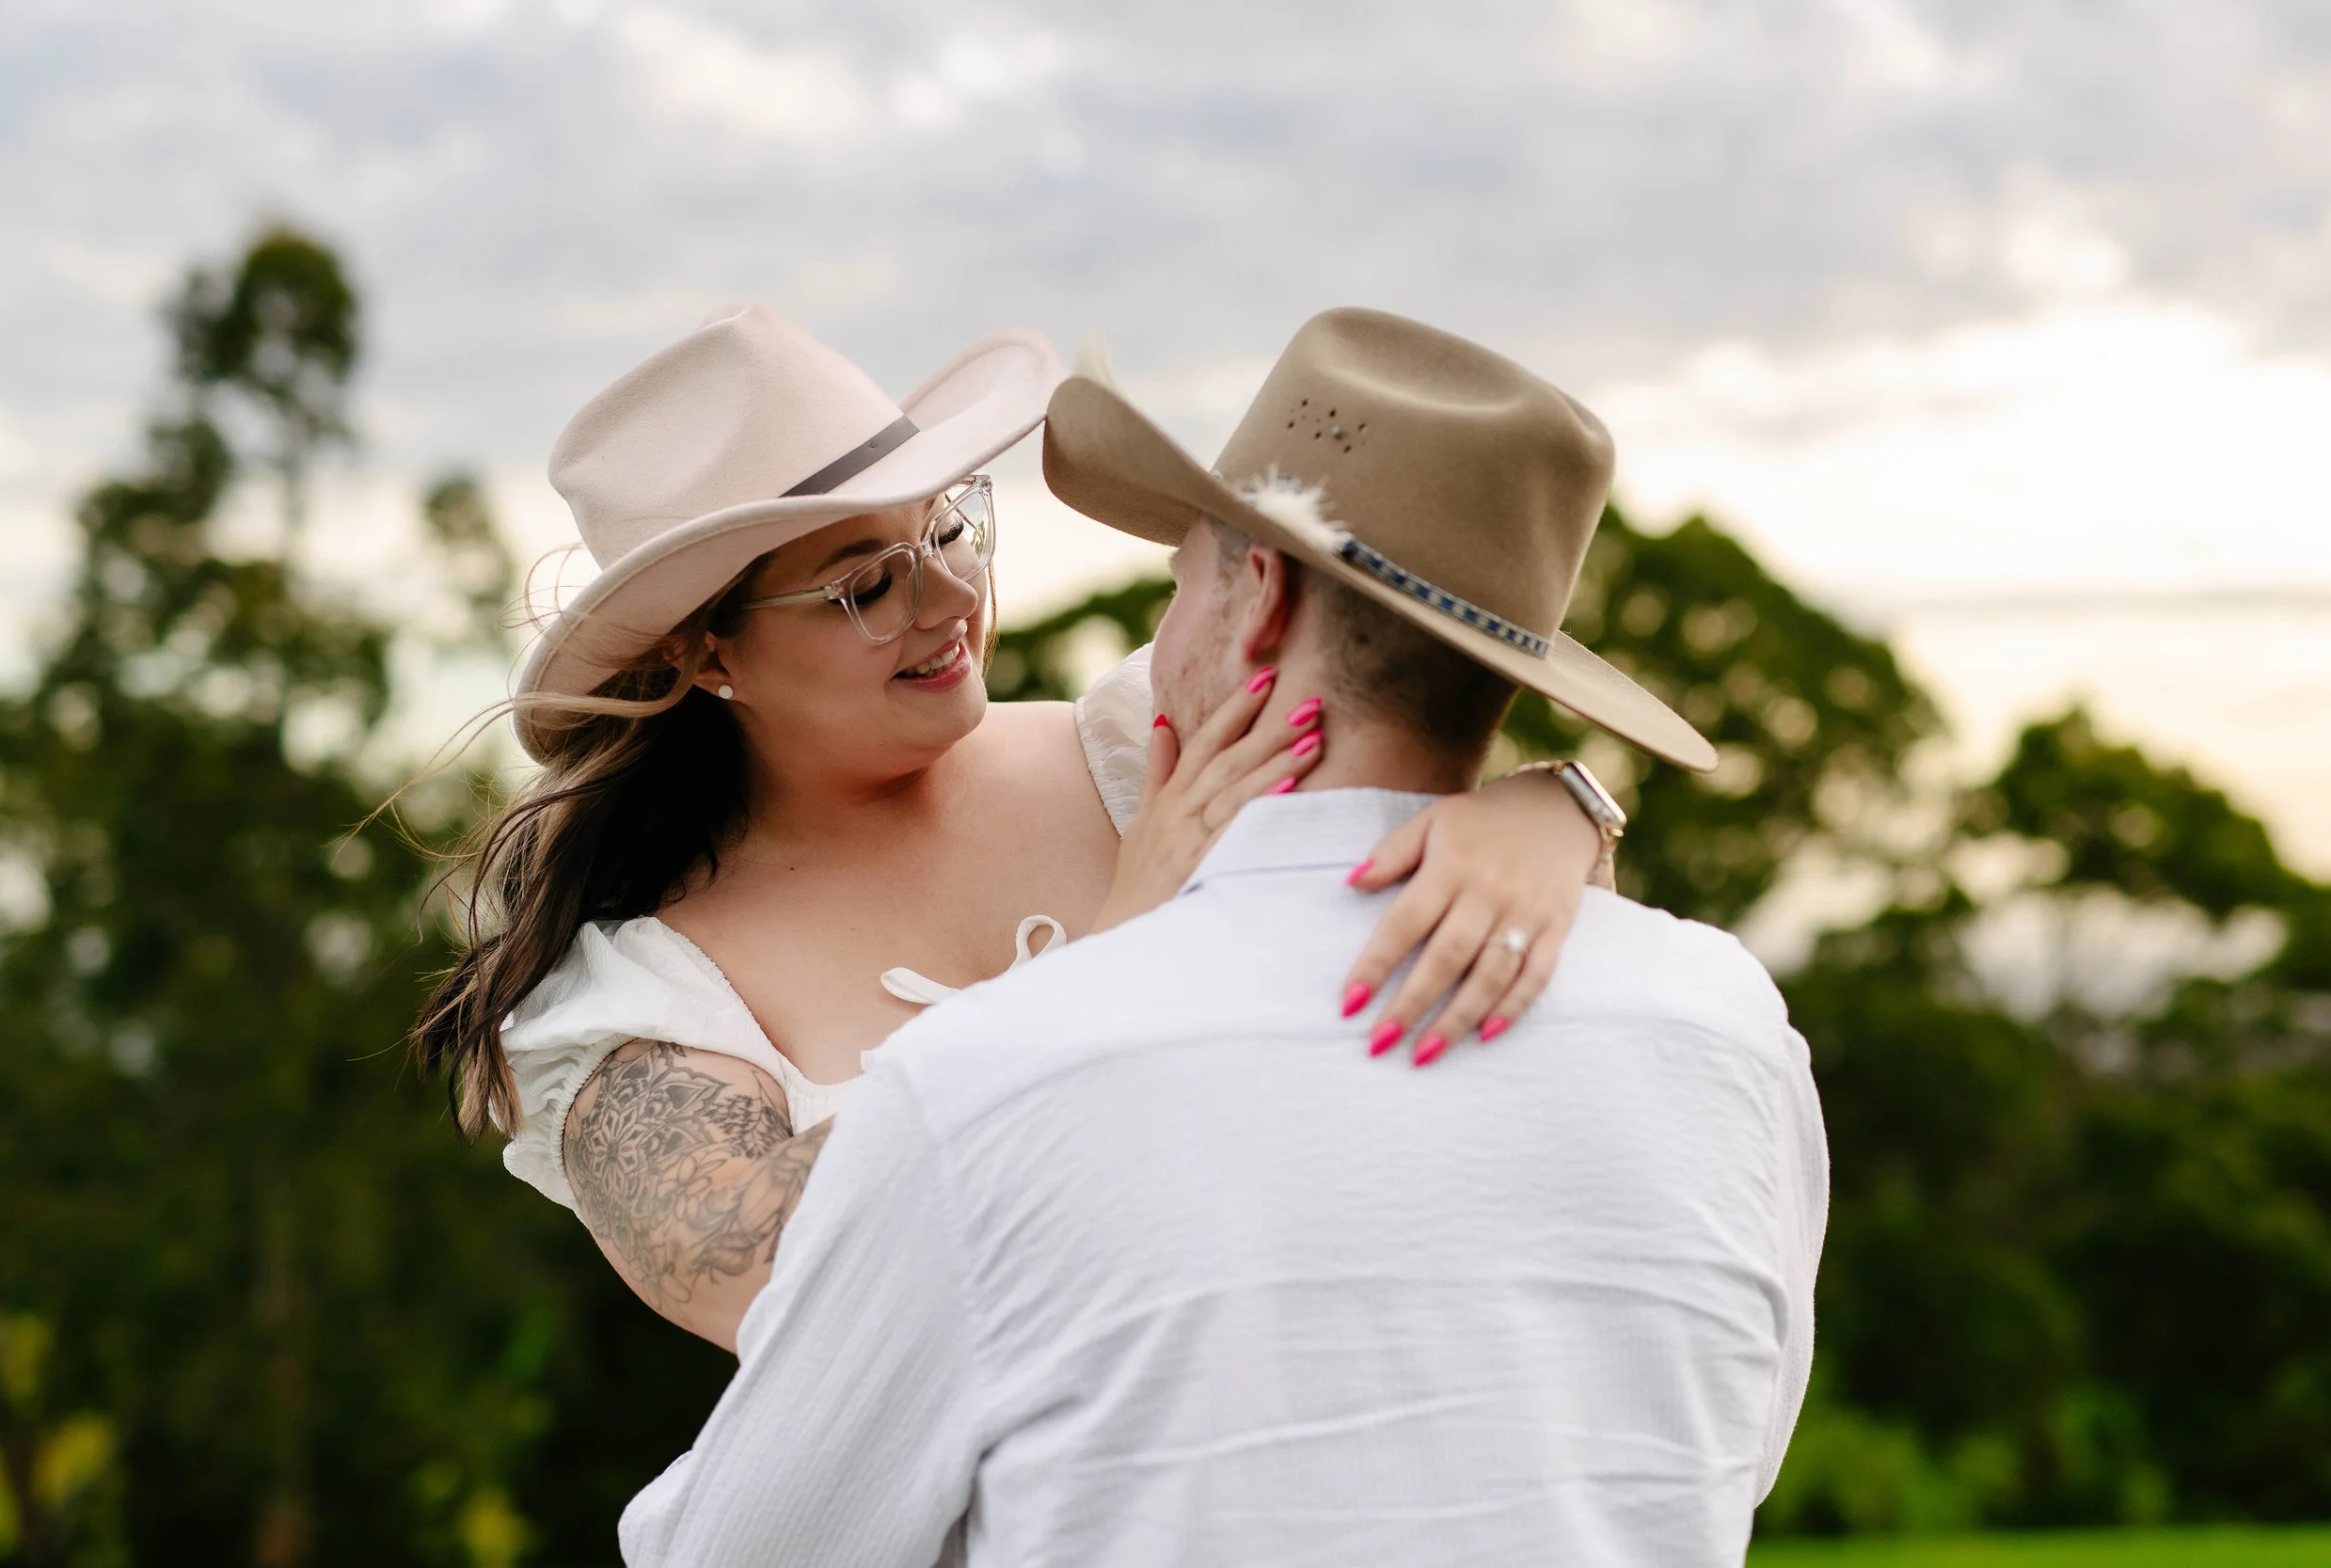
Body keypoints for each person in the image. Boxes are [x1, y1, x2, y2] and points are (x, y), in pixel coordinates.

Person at [617, 308, 1830, 1568]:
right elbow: (1722, 1452)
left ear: (1258, 597)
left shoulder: (979, 1088)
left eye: (1183, 568)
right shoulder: (1730, 1026)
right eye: (863, 583)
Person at [414, 306, 1622, 1353]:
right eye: (863, 584)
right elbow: (780, 1281)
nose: (947, 598)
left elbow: (1420, 736)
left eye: (944, 529)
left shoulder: (1156, 738)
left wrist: (1550, 812)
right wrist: (1125, 953)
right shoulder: (642, 990)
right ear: (704, 649)